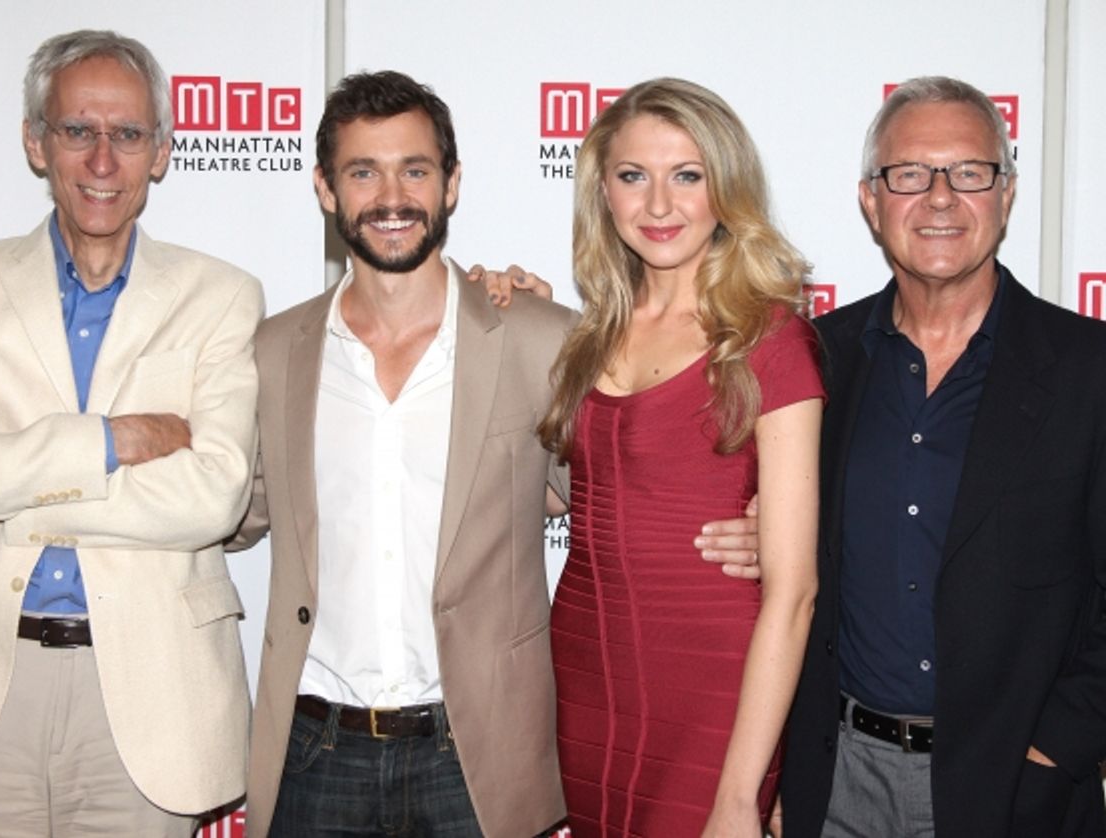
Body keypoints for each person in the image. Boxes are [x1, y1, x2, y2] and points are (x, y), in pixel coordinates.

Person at [700, 76, 1106, 837]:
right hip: (839, 778)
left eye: (970, 172)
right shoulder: (817, 358)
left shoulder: (1090, 368)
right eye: (910, 175)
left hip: (1015, 790)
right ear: (870, 201)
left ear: (1008, 193)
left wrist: (1056, 747)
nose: (941, 198)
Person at [0, 30, 262, 836]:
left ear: (161, 152)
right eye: (77, 131)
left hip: (150, 699)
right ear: (37, 143)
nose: (103, 160)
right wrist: (107, 443)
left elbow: (212, 496)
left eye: (127, 135)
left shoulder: (222, 296)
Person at [228, 70, 575, 838]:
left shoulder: (539, 339)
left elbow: (610, 503)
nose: (392, 197)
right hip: (314, 753)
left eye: (414, 169)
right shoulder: (272, 352)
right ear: (325, 189)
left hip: (476, 754)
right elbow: (228, 510)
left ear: (452, 185)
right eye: (363, 171)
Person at [538, 77, 822, 837]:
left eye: (686, 176)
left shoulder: (769, 338)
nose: (659, 205)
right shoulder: (588, 332)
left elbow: (793, 594)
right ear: (603, 190)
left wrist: (737, 801)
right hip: (586, 676)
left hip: (716, 686)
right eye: (634, 176)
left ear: (724, 187)